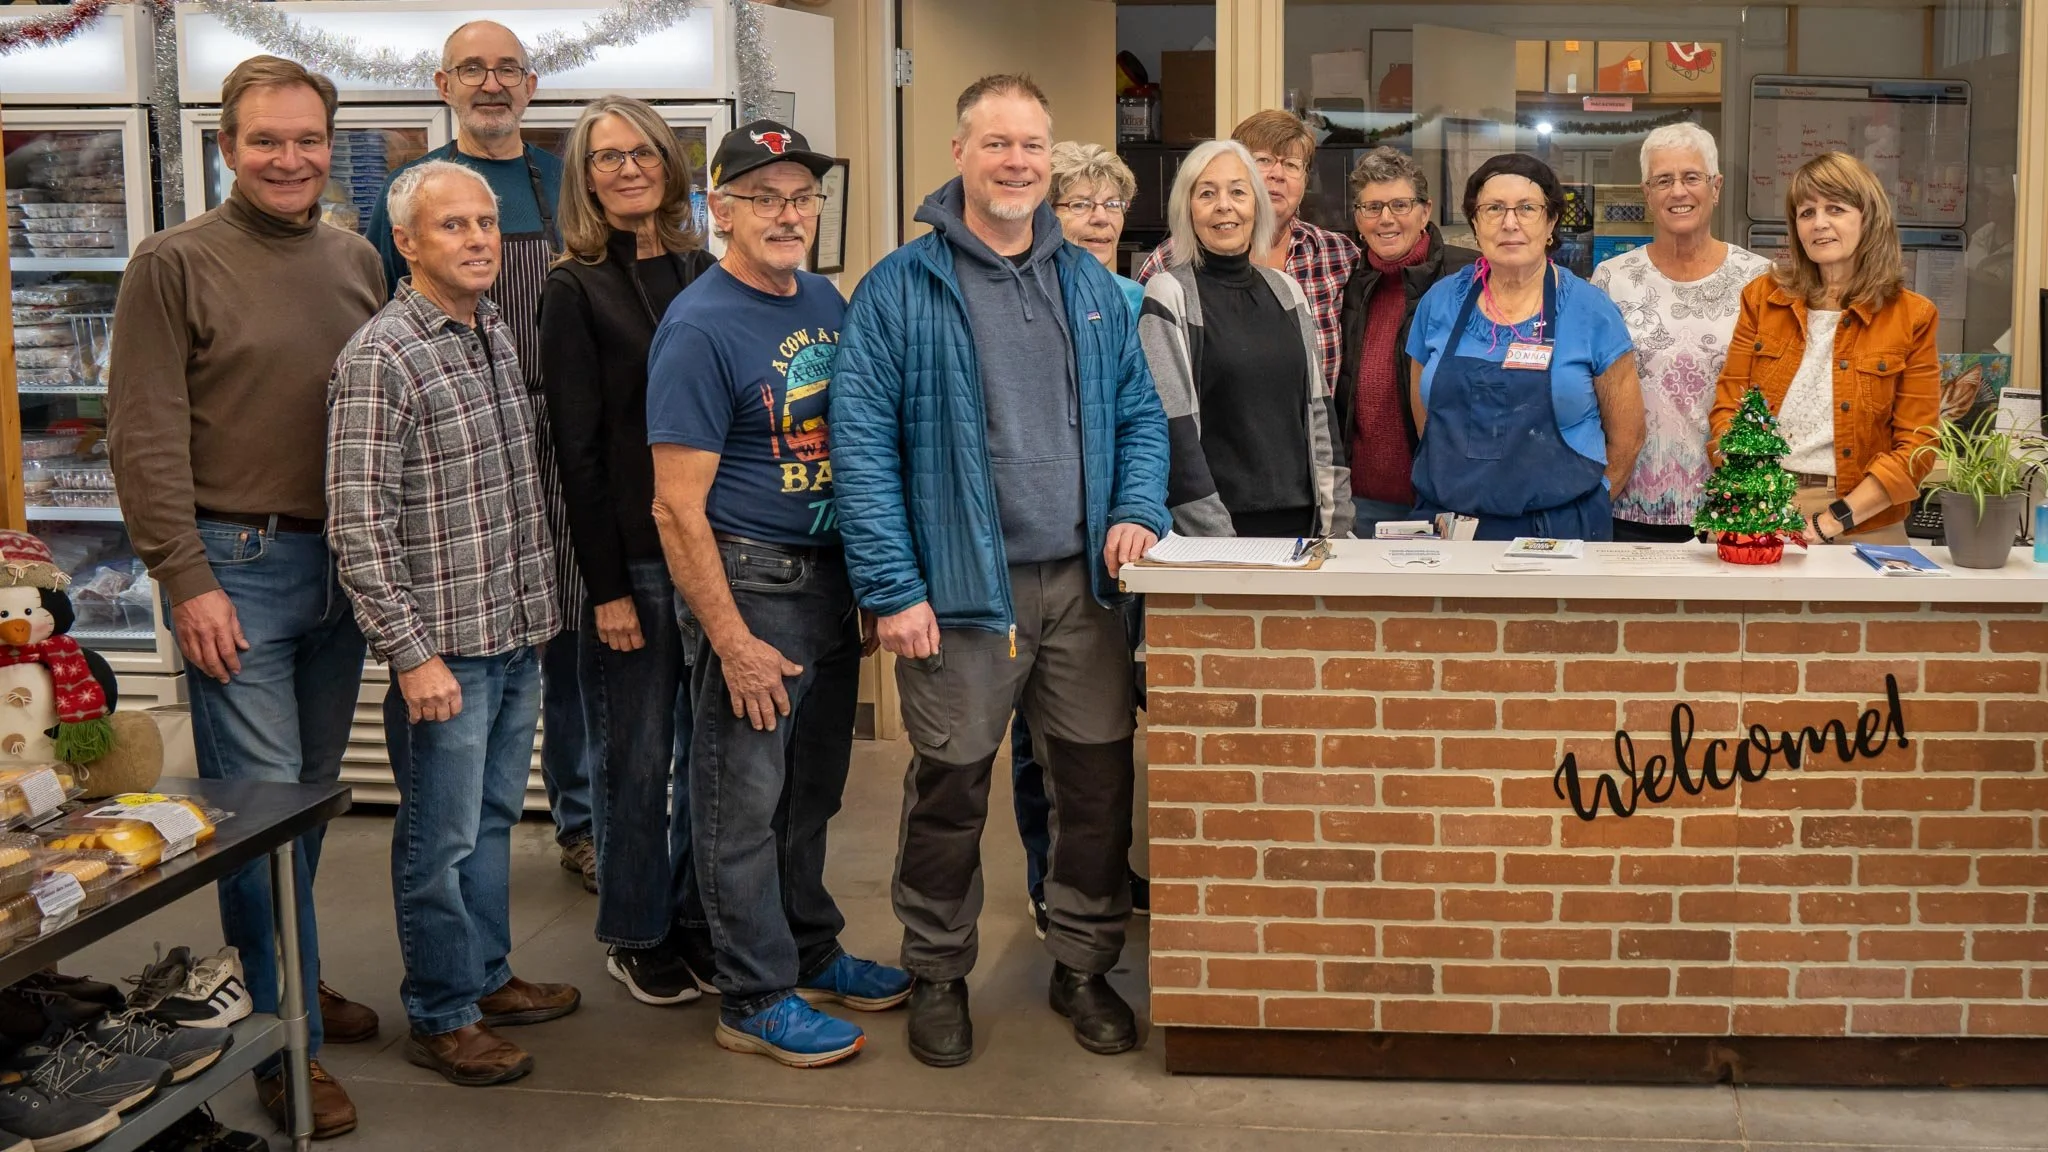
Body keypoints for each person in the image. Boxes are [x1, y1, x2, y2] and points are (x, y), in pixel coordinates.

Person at [832, 75, 1171, 1067]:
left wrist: (1137, 510)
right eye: (996, 144)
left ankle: (1081, 961)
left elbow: (1138, 416)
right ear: (959, 155)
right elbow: (860, 448)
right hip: (958, 592)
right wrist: (893, 589)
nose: (1016, 161)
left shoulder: (1092, 288)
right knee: (950, 792)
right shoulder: (901, 286)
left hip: (1082, 589)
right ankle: (937, 971)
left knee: (1096, 785)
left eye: (1031, 144)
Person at [105, 54, 379, 1139]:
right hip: (238, 571)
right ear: (226, 147)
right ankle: (283, 1041)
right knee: (261, 812)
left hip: (340, 572)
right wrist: (187, 577)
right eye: (266, 140)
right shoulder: (172, 264)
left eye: (307, 139)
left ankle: (287, 983)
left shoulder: (356, 258)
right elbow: (141, 431)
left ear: (328, 145)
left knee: (307, 804)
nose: (288, 158)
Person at [647, 120, 912, 1069]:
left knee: (811, 792)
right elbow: (677, 510)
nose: (790, 214)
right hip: (752, 583)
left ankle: (808, 949)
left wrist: (873, 583)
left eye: (802, 198)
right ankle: (753, 993)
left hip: (830, 580)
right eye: (765, 198)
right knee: (739, 801)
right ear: (720, 210)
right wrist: (730, 638)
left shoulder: (824, 299)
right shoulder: (698, 326)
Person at [328, 161, 580, 1088]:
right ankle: (440, 1012)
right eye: (452, 227)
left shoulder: (496, 332)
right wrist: (409, 653)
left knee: (494, 819)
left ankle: (486, 976)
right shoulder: (382, 357)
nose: (478, 240)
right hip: (445, 653)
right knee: (440, 839)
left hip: (512, 631)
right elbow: (359, 523)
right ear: (406, 243)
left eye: (485, 224)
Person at [365, 20, 597, 889]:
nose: (492, 84)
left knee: (568, 634)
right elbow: (388, 309)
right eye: (474, 70)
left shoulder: (559, 181)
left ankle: (579, 818)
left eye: (508, 70)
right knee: (477, 648)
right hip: (460, 429)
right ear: (443, 84)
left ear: (530, 87)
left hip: (555, 427)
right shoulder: (411, 189)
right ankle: (458, 871)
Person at [538, 96, 718, 1004]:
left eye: (641, 151)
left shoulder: (703, 269)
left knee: (705, 753)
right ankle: (636, 929)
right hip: (634, 562)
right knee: (635, 756)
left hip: (711, 552)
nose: (627, 168)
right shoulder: (573, 288)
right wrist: (602, 586)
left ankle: (693, 918)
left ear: (669, 161)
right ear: (585, 176)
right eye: (606, 158)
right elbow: (575, 450)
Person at [1009, 140, 1153, 938]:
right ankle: (1046, 880)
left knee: (1102, 731)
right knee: (1042, 738)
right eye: (1079, 203)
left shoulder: (1131, 299)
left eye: (1111, 205)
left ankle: (1101, 874)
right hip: (1047, 553)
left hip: (1125, 550)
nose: (1098, 219)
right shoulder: (1030, 299)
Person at [1406, 153, 1644, 541]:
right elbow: (1425, 419)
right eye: (1493, 208)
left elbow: (1628, 436)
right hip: (1449, 528)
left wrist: (1591, 503)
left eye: (1527, 208)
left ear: (1551, 222)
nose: (1509, 223)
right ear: (1475, 223)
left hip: (1561, 531)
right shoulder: (1440, 302)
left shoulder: (1591, 309)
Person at [1709, 151, 1938, 544]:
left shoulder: (1912, 316)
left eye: (1835, 208)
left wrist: (1830, 522)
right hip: (1759, 504)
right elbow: (1729, 406)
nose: (1820, 224)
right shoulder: (1763, 298)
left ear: (1868, 218)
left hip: (1862, 517)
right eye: (1806, 212)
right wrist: (1747, 490)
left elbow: (1918, 445)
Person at [1138, 139, 1351, 540]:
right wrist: (1217, 539)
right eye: (1206, 193)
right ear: (1187, 210)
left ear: (1256, 205)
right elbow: (1174, 430)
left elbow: (1321, 415)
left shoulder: (1287, 292)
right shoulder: (1170, 294)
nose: (1224, 205)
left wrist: (1336, 523)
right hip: (1219, 532)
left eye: (1238, 191)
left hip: (1303, 527)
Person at [1591, 123, 1773, 542]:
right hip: (1625, 506)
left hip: (1733, 509)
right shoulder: (1611, 280)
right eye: (1663, 180)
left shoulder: (1760, 280)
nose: (1678, 191)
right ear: (1647, 194)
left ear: (1716, 187)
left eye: (1692, 177)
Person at [1137, 110, 1357, 392]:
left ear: (1305, 180)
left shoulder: (1338, 256)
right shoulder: (1169, 262)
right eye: (1263, 160)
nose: (1277, 174)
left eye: (1291, 164)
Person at [1332, 147, 1478, 535]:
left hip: (1448, 499)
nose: (1386, 220)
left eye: (1400, 204)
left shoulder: (1470, 278)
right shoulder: (1346, 282)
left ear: (1425, 211)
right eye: (1372, 207)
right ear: (1358, 218)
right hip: (1361, 502)